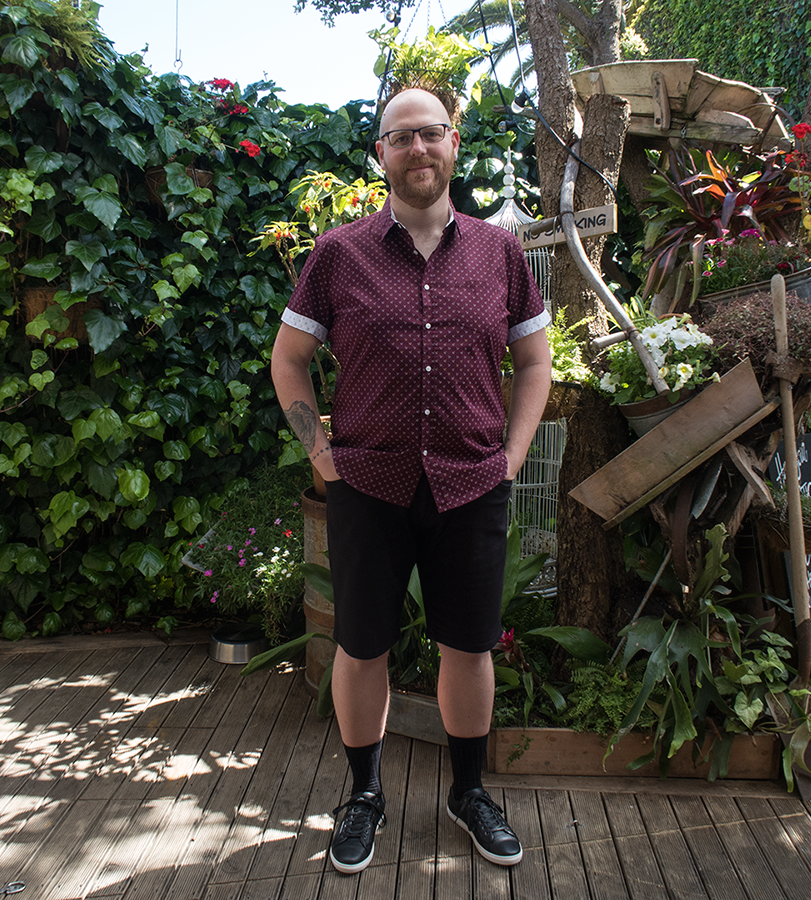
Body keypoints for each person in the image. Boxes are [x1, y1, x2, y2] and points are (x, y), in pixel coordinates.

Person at [271, 85, 551, 873]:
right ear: (380, 155)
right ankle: (363, 795)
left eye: (430, 135)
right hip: (368, 486)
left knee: (469, 647)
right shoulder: (339, 253)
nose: (417, 150)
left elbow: (535, 364)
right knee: (360, 648)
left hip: (471, 484)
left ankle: (469, 792)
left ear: (454, 144)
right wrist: (318, 452)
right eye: (400, 138)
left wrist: (516, 452)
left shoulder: (501, 255)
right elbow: (289, 362)